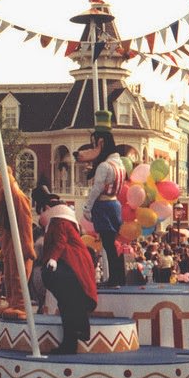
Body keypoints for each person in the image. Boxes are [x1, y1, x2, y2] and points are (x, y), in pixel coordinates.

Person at [33, 188, 98, 355]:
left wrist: (53, 259)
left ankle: (71, 342)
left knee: (69, 304)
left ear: (47, 208)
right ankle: (71, 341)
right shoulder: (59, 220)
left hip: (71, 265)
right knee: (67, 305)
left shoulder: (58, 221)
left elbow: (60, 241)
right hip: (71, 265)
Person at [75, 110, 127, 287]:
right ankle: (120, 277)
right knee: (114, 244)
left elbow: (97, 189)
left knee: (108, 245)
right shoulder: (119, 164)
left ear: (101, 142)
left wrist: (87, 208)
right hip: (115, 205)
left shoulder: (105, 166)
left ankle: (114, 279)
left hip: (104, 206)